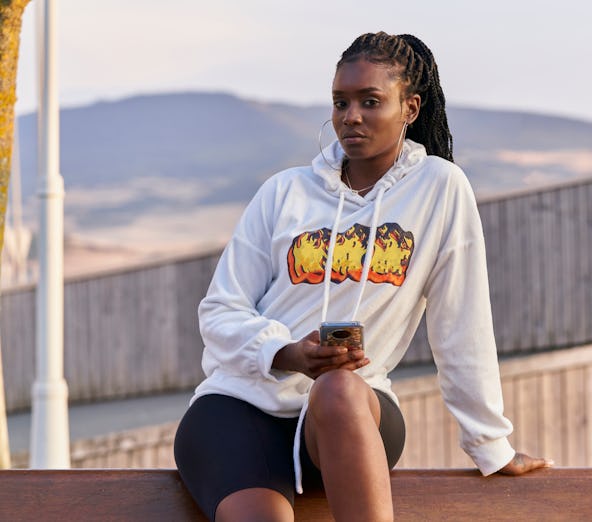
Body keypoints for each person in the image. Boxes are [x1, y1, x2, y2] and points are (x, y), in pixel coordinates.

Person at [174, 31, 552, 522]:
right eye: (340, 102)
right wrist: (288, 353)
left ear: (410, 108)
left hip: (353, 414)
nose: (350, 116)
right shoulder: (284, 192)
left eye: (370, 101)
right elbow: (220, 310)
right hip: (242, 408)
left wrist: (491, 445)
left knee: (338, 387)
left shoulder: (439, 188)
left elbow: (463, 323)